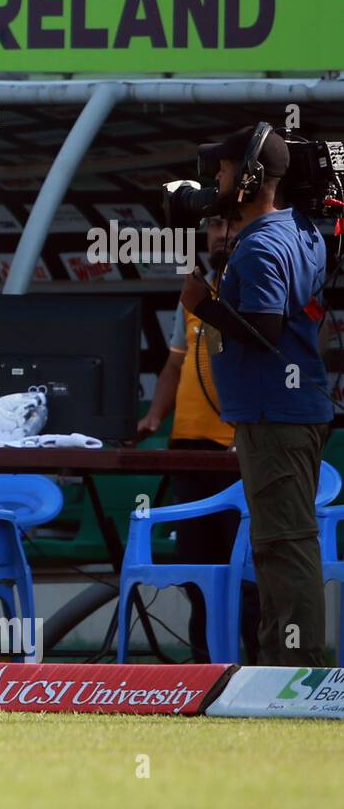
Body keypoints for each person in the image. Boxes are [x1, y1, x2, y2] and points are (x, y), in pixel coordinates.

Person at [181, 125, 333, 667]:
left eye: (222, 171)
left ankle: (299, 671)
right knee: (279, 543)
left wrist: (203, 304)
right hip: (289, 411)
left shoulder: (261, 247)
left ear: (248, 179)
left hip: (276, 415)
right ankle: (281, 660)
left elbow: (266, 328)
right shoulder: (299, 229)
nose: (214, 181)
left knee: (283, 545)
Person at [138, 217, 256, 662]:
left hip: (237, 448)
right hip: (189, 448)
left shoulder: (259, 284)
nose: (222, 234)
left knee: (244, 568)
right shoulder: (192, 295)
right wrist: (152, 418)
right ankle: (205, 664)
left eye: (232, 225)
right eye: (215, 227)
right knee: (194, 564)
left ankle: (257, 665)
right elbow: (174, 364)